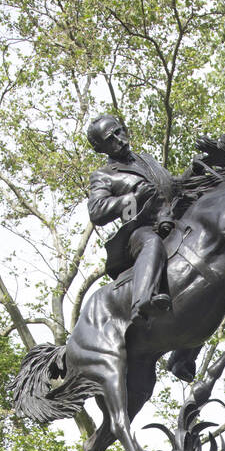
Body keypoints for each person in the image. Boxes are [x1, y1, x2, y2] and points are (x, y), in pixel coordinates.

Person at [86, 114, 178, 322]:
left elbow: (173, 185)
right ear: (100, 148)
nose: (119, 139)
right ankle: (142, 301)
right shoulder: (104, 175)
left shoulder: (146, 159)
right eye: (110, 139)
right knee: (151, 243)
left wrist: (196, 170)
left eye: (119, 132)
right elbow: (97, 210)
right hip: (140, 231)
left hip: (172, 221)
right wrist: (133, 198)